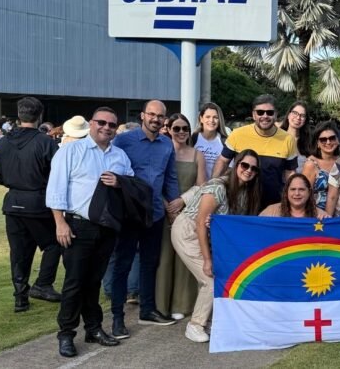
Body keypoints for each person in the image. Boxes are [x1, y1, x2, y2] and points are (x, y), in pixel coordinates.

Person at [46, 106, 134, 357]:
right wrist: (60, 223)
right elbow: (56, 188)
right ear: (91, 124)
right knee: (74, 283)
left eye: (112, 125)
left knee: (94, 282)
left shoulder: (119, 156)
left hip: (107, 228)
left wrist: (120, 182)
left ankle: (93, 328)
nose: (106, 127)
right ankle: (66, 334)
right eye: (101, 122)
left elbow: (132, 184)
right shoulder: (72, 151)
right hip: (77, 226)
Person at [172, 149, 262, 343]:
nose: (248, 170)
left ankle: (213, 321)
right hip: (188, 232)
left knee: (222, 277)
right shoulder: (218, 187)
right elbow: (200, 222)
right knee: (210, 280)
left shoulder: (247, 192)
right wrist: (207, 259)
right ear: (236, 164)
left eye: (253, 169)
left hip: (212, 237)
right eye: (244, 165)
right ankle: (195, 325)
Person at [110, 100, 183, 339]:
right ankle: (117, 319)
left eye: (160, 116)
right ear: (143, 115)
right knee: (123, 265)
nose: (155, 119)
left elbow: (170, 177)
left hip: (156, 214)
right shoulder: (123, 141)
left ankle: (148, 310)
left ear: (164, 120)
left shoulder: (166, 145)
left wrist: (173, 206)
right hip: (130, 213)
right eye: (151, 114)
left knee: (150, 263)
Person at [0, 97, 61, 312]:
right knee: (54, 244)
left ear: (19, 115)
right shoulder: (46, 143)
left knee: (19, 251)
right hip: (38, 202)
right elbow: (57, 175)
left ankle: (21, 297)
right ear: (39, 116)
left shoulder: (3, 142)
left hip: (13, 203)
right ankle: (42, 284)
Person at [156, 113, 206, 321]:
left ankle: (181, 303)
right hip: (162, 209)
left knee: (185, 258)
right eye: (176, 128)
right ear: (168, 129)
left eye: (185, 128)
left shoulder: (197, 155)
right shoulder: (160, 152)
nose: (181, 132)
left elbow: (202, 186)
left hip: (188, 211)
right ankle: (161, 305)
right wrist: (168, 207)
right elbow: (154, 181)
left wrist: (182, 202)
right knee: (164, 259)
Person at [212, 94, 297, 209]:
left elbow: (290, 173)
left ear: (276, 114)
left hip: (272, 205)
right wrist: (212, 188)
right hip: (238, 202)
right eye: (260, 112)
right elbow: (222, 161)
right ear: (253, 114)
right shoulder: (237, 134)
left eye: (270, 112)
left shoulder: (288, 139)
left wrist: (291, 201)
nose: (265, 116)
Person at [302, 121, 340, 211]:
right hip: (319, 216)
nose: (328, 142)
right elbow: (305, 194)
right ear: (317, 144)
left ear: (337, 140)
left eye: (332, 138)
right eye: (323, 139)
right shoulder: (311, 164)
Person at [191, 102, 229, 180]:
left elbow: (230, 168)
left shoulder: (225, 141)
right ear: (201, 119)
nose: (211, 120)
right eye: (208, 117)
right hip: (194, 187)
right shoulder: (193, 138)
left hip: (214, 187)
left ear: (219, 120)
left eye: (215, 117)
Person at [260, 173, 325, 218]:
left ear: (309, 192)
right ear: (286, 192)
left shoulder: (320, 215)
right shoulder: (270, 212)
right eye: (293, 189)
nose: (297, 193)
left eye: (301, 189)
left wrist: (327, 219)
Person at [279, 101, 311, 171]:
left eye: (302, 115)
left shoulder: (309, 142)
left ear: (305, 120)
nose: (298, 117)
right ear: (288, 115)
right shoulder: (277, 138)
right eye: (295, 113)